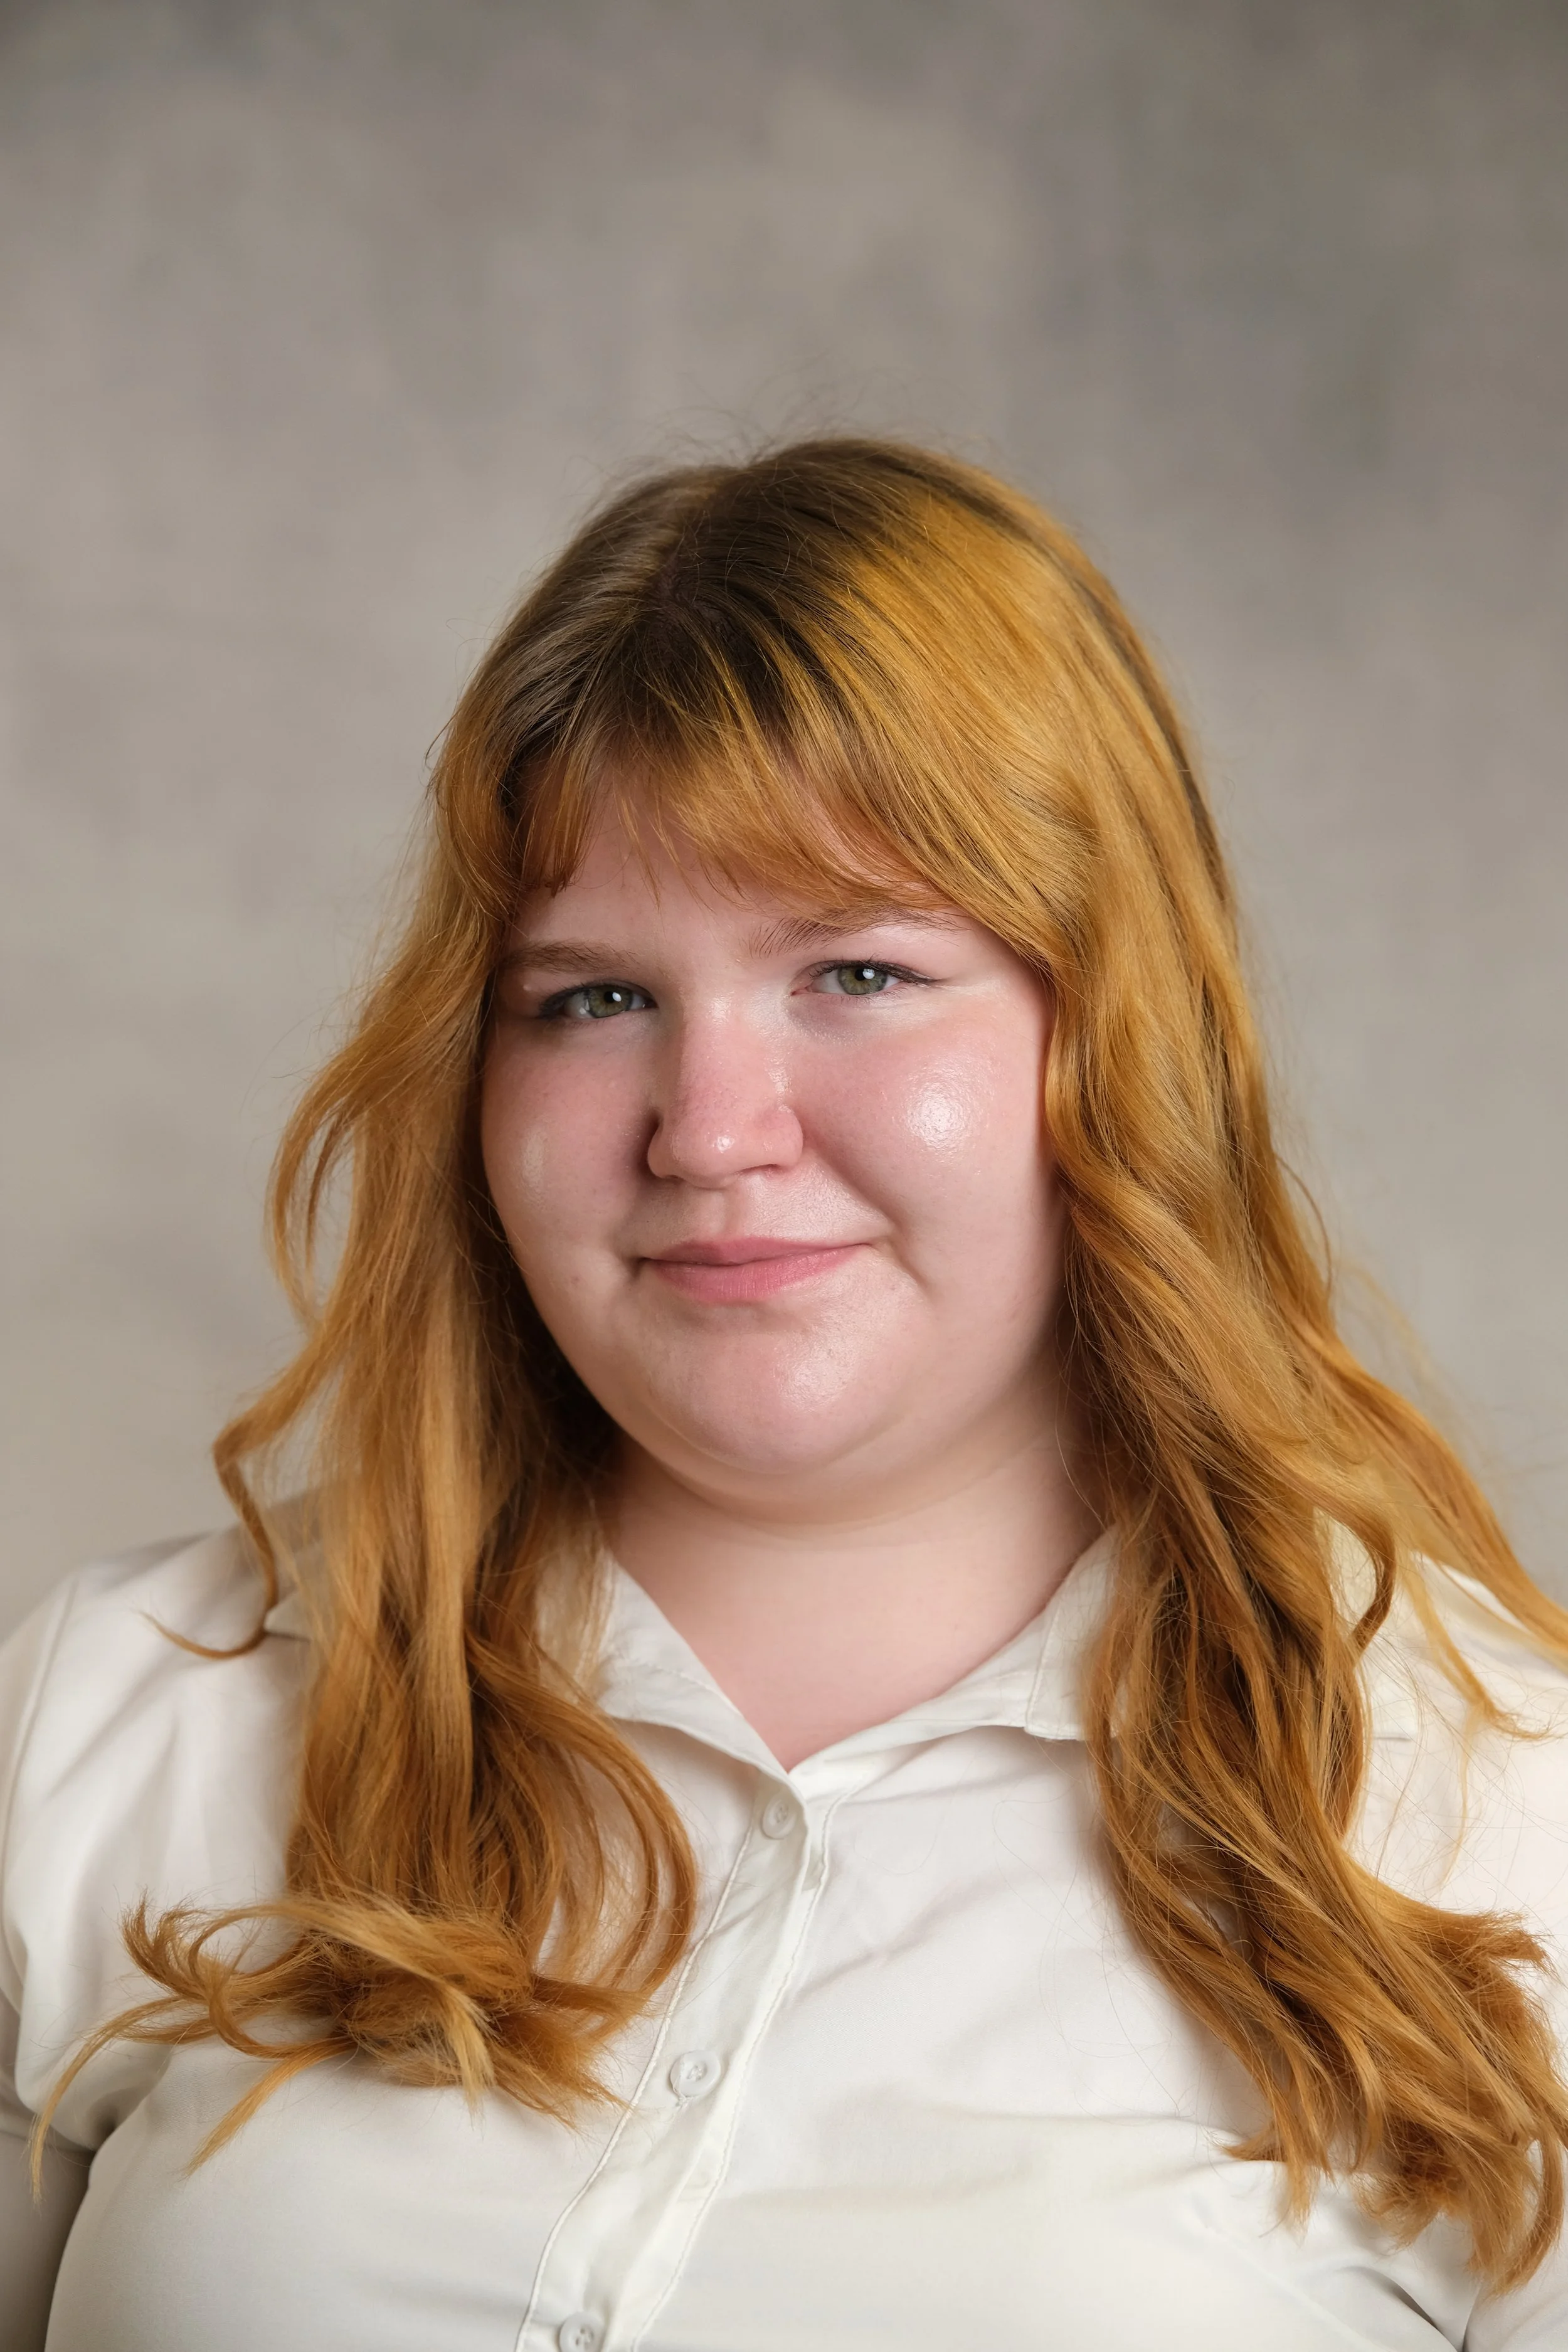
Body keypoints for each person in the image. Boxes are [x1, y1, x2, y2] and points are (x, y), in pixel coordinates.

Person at [3, 440, 1567, 2352]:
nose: (712, 1131)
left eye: (855, 968)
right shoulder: (127, 1705)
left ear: (1117, 1041)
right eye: (590, 996)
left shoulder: (1497, 1827)